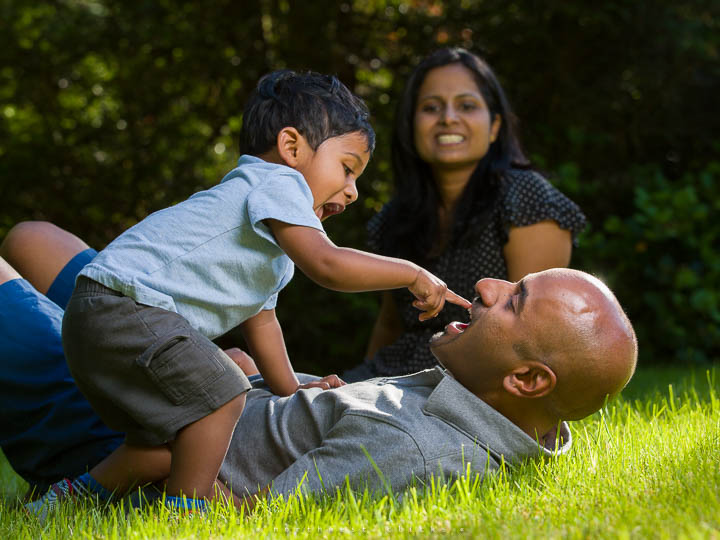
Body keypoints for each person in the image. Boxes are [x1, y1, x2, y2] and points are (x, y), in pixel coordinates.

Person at [24, 70, 470, 515]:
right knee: (226, 393)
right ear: (292, 147)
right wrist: (411, 273)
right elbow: (328, 265)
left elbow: (263, 324)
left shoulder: (267, 248)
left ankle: (63, 502)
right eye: (348, 169)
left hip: (99, 317)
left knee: (166, 442)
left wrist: (292, 386)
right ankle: (187, 513)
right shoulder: (276, 183)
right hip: (125, 307)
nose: (352, 192)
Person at [0, 223, 637, 512]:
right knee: (33, 239)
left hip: (137, 426)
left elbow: (247, 513)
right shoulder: (498, 407)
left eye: (515, 300)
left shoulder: (411, 448)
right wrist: (263, 384)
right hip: (200, 389)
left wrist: (210, 394)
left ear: (527, 380)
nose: (489, 285)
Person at [345, 47, 588, 381]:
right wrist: (357, 389)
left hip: (474, 386)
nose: (448, 118)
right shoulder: (394, 217)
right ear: (411, 126)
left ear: (494, 126)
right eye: (431, 107)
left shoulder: (527, 199)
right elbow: (390, 324)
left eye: (467, 105)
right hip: (390, 378)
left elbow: (534, 336)